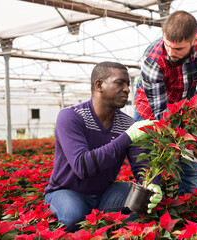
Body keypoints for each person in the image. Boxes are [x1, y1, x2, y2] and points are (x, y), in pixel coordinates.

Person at [44, 61, 161, 232]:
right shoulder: (71, 117)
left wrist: (152, 184)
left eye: (128, 84)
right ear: (99, 85)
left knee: (145, 203)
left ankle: (103, 222)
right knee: (74, 216)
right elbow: (82, 166)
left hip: (106, 192)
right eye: (119, 83)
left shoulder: (128, 124)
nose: (127, 89)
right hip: (67, 191)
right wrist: (126, 137)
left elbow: (142, 164)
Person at [134, 11, 197, 196]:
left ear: (194, 41)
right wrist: (184, 139)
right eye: (168, 45)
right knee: (151, 163)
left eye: (178, 49)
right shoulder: (152, 60)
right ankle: (149, 210)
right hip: (150, 108)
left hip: (184, 105)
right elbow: (161, 112)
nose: (171, 53)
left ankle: (189, 206)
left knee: (189, 168)